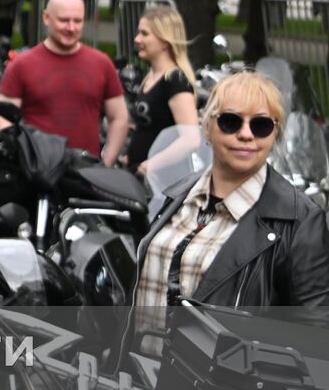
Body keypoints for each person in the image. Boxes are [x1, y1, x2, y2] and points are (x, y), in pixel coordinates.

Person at [128, 71, 329, 356]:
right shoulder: (179, 194)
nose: (245, 134)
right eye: (230, 121)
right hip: (137, 383)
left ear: (275, 135)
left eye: (261, 125)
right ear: (207, 128)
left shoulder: (300, 220)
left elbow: (315, 339)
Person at [0, 0, 130, 164]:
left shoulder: (102, 63)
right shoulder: (22, 64)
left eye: (78, 21)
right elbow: (3, 119)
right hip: (37, 173)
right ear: (46, 18)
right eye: (64, 20)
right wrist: (23, 159)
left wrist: (106, 164)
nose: (71, 28)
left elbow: (119, 117)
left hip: (86, 173)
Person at [125, 6, 199, 176]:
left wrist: (151, 165)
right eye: (138, 33)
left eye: (145, 34)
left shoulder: (175, 80)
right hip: (140, 175)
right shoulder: (151, 77)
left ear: (165, 40)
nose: (137, 39)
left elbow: (191, 139)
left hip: (163, 180)